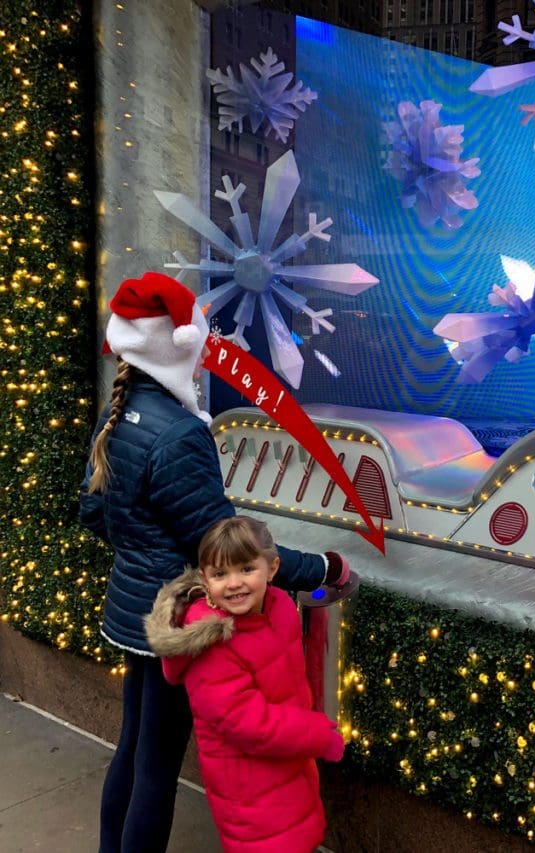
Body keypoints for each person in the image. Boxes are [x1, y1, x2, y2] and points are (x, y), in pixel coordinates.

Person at [80, 271, 350, 853]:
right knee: (155, 767)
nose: (205, 362)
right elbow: (227, 547)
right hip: (177, 625)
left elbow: (92, 513)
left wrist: (143, 549)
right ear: (174, 350)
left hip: (132, 612)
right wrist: (324, 570)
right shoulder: (178, 434)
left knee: (132, 748)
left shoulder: (119, 413)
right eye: (200, 349)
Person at [145, 516, 345, 853]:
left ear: (272, 568)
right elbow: (245, 721)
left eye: (246, 569)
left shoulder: (279, 605)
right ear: (205, 579)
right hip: (248, 783)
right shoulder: (211, 640)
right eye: (220, 574)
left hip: (287, 763)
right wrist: (318, 735)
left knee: (298, 835)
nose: (234, 583)